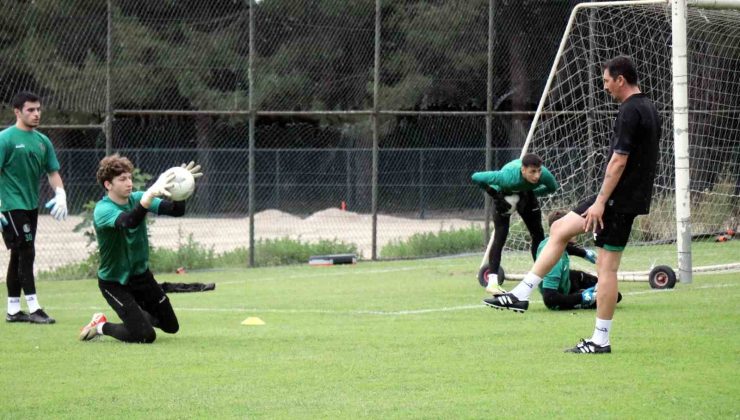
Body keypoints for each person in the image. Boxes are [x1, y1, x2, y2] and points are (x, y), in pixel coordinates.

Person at [485, 56, 661, 354]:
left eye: (606, 81)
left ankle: (600, 340)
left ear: (620, 79)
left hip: (616, 200)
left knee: (607, 270)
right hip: (623, 197)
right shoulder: (649, 108)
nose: (604, 87)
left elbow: (619, 161)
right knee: (560, 229)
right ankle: (521, 293)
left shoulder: (631, 110)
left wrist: (601, 202)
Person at [78, 155, 202, 343]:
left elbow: (177, 210)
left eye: (129, 177)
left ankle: (137, 317)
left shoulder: (137, 197)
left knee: (170, 326)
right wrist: (150, 194)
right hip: (114, 283)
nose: (129, 183)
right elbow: (129, 222)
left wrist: (178, 189)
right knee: (145, 335)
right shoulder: (103, 210)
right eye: (122, 179)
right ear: (108, 185)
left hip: (141, 278)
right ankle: (100, 326)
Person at [1, 91, 68, 324]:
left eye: (38, 109)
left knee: (18, 254)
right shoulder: (5, 139)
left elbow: (53, 172)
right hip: (10, 206)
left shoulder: (43, 141)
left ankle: (12, 310)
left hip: (30, 206)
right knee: (27, 252)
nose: (36, 113)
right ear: (17, 112)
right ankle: (34, 308)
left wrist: (61, 194)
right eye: (30, 110)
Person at [471, 153, 558, 294]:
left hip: (527, 195)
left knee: (538, 235)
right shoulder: (507, 177)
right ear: (523, 170)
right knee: (500, 236)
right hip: (503, 196)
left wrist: (530, 193)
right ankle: (492, 283)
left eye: (538, 171)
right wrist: (494, 194)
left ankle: (539, 277)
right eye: (532, 172)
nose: (537, 176)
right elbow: (476, 177)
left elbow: (552, 188)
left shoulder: (544, 176)